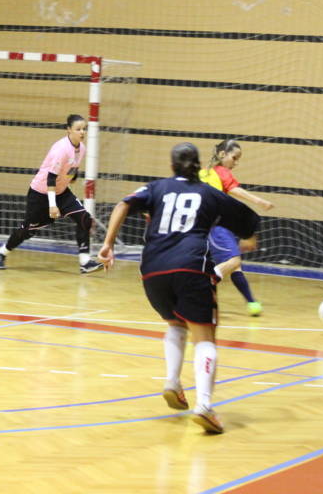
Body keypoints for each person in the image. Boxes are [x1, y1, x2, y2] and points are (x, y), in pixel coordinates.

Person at [98, 142, 259, 434]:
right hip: (190, 267)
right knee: (205, 337)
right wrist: (247, 237)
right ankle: (204, 406)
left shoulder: (155, 188)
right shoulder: (208, 193)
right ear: (198, 165)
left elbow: (123, 204)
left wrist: (108, 244)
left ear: (172, 166)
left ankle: (172, 382)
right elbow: (249, 220)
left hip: (152, 270)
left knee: (175, 323)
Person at [0, 114, 104, 274]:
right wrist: (53, 205)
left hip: (61, 192)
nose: (82, 132)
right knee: (28, 231)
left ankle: (85, 262)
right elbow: (50, 178)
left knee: (84, 219)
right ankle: (3, 252)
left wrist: (72, 177)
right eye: (78, 129)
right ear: (68, 130)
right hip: (40, 194)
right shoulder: (61, 149)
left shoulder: (82, 148)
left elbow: (72, 169)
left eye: (84, 129)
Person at [199, 139, 273, 316]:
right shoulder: (220, 172)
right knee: (234, 262)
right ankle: (204, 285)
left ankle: (251, 302)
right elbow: (234, 190)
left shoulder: (203, 173)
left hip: (203, 226)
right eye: (234, 158)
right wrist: (260, 201)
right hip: (216, 227)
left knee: (233, 266)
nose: (236, 163)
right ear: (222, 154)